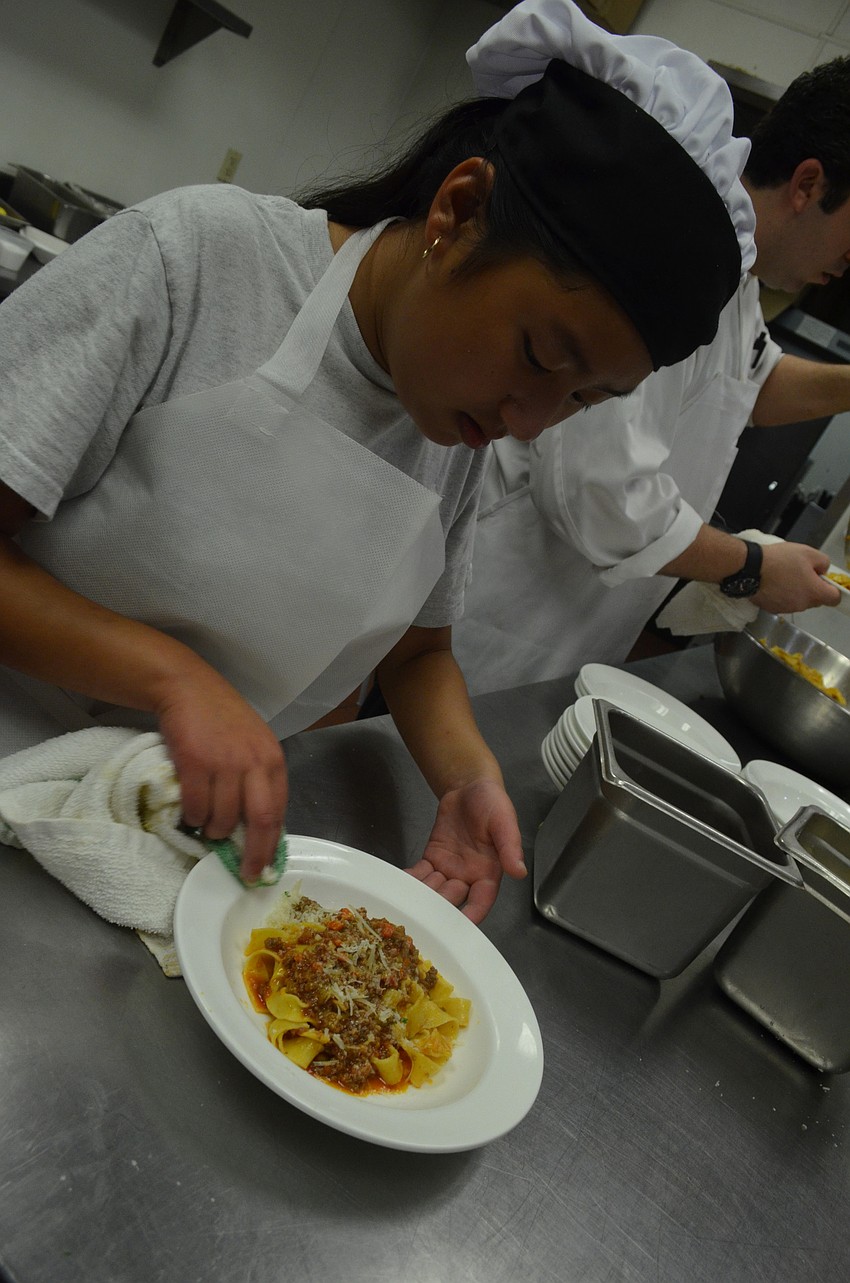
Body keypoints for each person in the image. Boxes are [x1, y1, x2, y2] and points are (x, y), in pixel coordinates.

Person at [0, 0, 753, 922]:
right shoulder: (196, 260)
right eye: (541, 357)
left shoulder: (458, 425)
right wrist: (173, 677)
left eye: (582, 400)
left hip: (159, 849)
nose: (530, 420)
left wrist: (465, 773)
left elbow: (422, 649)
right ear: (458, 210)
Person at [452, 46, 850, 695]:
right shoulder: (682, 258)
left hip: (562, 642)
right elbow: (601, 487)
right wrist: (750, 565)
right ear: (808, 185)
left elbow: (749, 381)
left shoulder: (739, 278)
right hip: (492, 630)